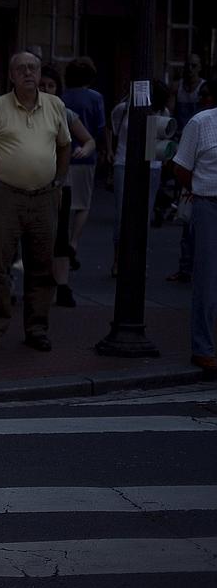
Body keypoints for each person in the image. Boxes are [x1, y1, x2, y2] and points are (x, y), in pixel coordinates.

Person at [0, 51, 71, 353]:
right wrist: (3, 175)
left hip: (44, 197)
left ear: (40, 74)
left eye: (33, 68)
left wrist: (57, 180)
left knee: (41, 265)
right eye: (22, 69)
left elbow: (64, 146)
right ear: (12, 76)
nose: (28, 73)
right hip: (6, 196)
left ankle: (36, 328)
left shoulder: (55, 106)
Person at [39, 66, 97, 307]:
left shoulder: (65, 112)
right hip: (32, 182)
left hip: (61, 182)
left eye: (51, 85)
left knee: (60, 236)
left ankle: (62, 285)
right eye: (43, 85)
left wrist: (85, 149)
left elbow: (89, 139)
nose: (46, 89)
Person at [171, 96, 217, 375]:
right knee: (207, 279)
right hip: (209, 203)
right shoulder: (201, 123)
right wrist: (199, 191)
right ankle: (203, 348)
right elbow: (181, 168)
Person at [107, 79, 170, 278]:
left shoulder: (162, 113)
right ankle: (118, 259)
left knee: (144, 215)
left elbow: (157, 145)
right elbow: (112, 128)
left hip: (151, 165)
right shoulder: (123, 109)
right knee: (121, 215)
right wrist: (109, 151)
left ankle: (138, 260)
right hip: (123, 162)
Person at [59, 57, 106, 271]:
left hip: (62, 155)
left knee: (63, 203)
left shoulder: (61, 98)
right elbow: (100, 128)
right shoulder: (95, 98)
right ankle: (73, 242)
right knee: (83, 203)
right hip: (86, 156)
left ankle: (61, 241)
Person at [167, 55, 207, 284]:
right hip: (183, 139)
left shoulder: (201, 89)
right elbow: (173, 113)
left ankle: (189, 266)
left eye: (193, 65)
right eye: (187, 65)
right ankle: (186, 266)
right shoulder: (179, 88)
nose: (189, 69)